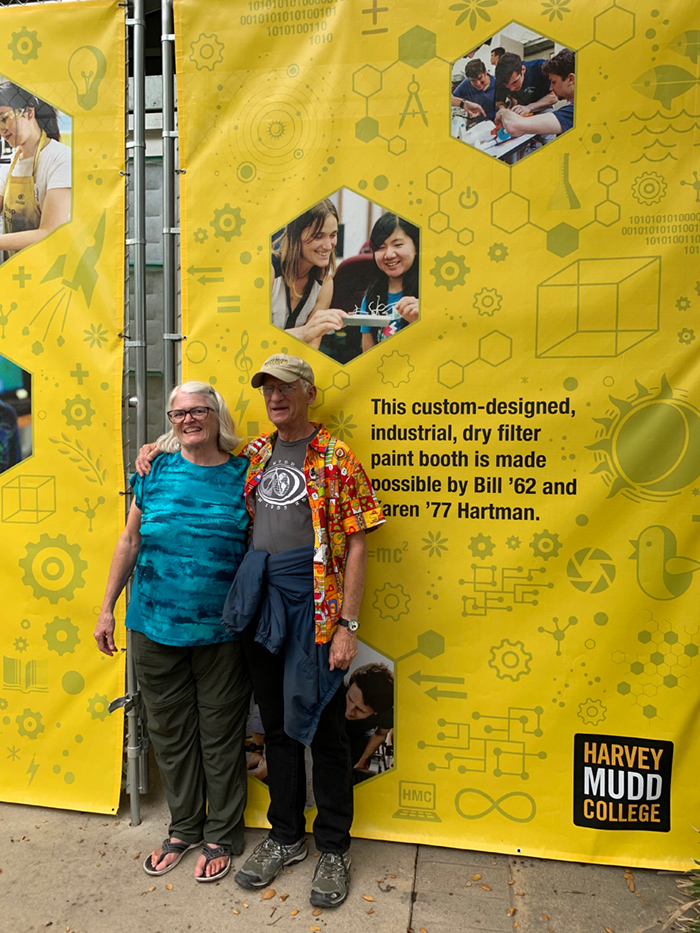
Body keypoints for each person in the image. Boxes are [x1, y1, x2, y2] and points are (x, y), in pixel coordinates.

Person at [220, 353, 385, 908]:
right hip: (262, 606)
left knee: (327, 728)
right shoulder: (258, 451)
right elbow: (200, 452)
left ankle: (333, 846)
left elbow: (359, 541)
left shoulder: (336, 456)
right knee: (277, 725)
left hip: (315, 609)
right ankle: (287, 835)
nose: (275, 397)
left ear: (309, 392)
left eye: (286, 387)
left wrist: (347, 626)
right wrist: (155, 449)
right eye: (267, 388)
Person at [94, 382, 251, 883]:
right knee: (169, 734)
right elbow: (130, 539)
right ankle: (184, 829)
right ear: (170, 419)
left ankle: (222, 834)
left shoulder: (245, 474)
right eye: (178, 413)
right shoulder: (154, 469)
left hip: (221, 633)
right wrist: (106, 609)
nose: (188, 420)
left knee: (221, 735)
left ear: (215, 414)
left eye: (198, 411)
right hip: (153, 627)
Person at [0, 82, 71, 258]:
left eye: (4, 118)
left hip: (50, 271)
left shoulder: (61, 158)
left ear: (29, 112)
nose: (1, 129)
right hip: (15, 269)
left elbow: (49, 232)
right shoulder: (11, 163)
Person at [271, 199, 345, 348]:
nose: (328, 245)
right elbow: (253, 339)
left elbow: (312, 347)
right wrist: (304, 332)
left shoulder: (325, 284)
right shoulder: (269, 271)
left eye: (333, 235)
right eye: (318, 236)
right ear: (295, 235)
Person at [358, 213, 419, 352]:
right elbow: (369, 357)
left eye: (397, 245)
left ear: (416, 246)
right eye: (380, 247)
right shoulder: (370, 298)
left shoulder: (431, 293)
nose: (389, 254)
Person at [499, 49, 575, 139]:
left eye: (553, 82)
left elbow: (513, 125)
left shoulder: (538, 67)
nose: (551, 88)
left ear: (571, 79)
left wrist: (505, 113)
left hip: (542, 109)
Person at [344, 663, 394, 782]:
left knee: (355, 763)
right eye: (350, 699)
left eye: (359, 709)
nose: (349, 711)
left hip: (361, 732)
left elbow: (380, 734)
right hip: (332, 726)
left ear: (376, 712)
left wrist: (363, 761)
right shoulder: (337, 692)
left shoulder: (387, 713)